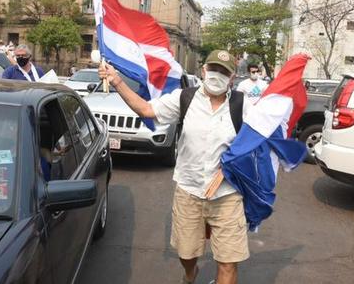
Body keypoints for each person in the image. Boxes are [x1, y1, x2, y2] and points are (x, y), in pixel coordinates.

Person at [99, 49, 250, 284]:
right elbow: (146, 110)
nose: (217, 75)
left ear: (232, 78)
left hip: (228, 196)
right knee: (187, 253)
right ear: (203, 70)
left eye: (224, 72)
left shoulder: (243, 105)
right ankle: (191, 274)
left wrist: (232, 167)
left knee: (229, 263)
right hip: (189, 192)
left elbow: (259, 142)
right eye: (213, 69)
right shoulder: (185, 98)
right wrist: (117, 81)